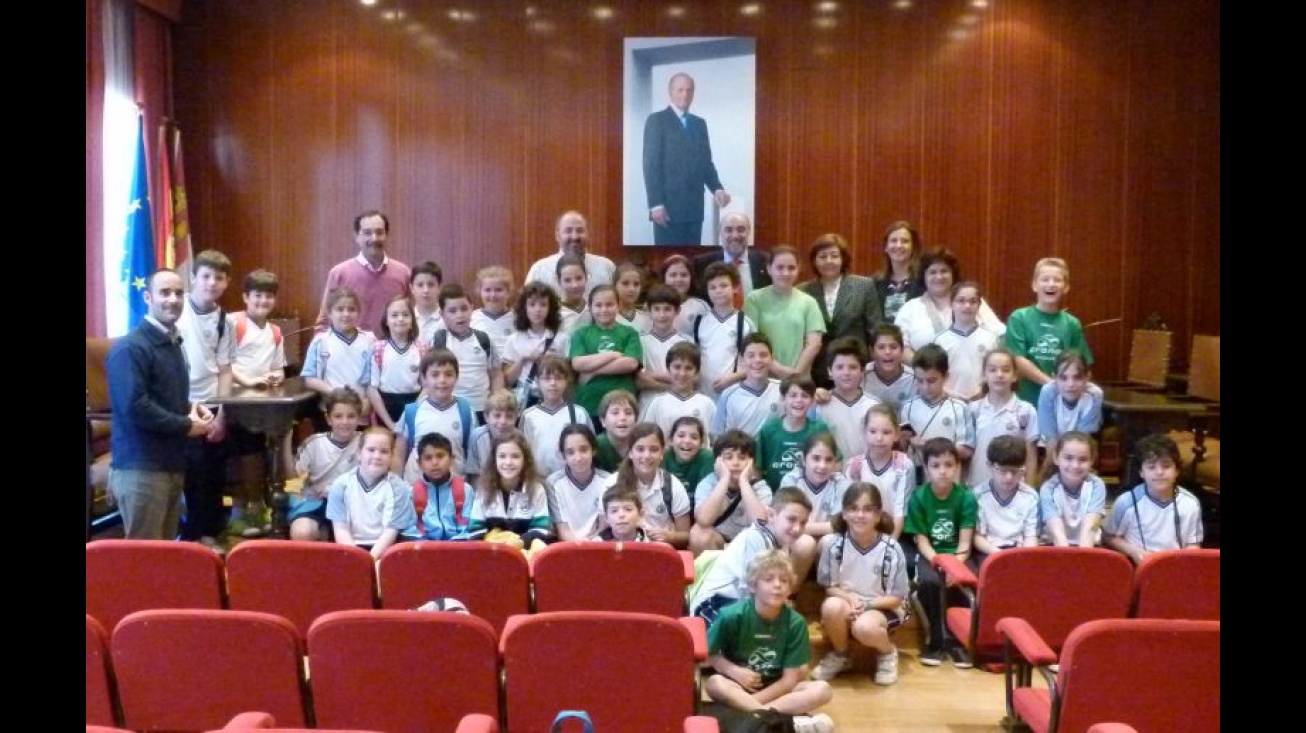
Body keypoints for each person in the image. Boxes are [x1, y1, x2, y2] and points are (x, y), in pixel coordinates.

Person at [107, 269, 216, 540]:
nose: (173, 300)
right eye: (164, 292)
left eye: (179, 293)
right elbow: (135, 406)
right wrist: (186, 425)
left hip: (170, 464)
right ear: (147, 297)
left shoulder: (173, 342)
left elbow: (162, 393)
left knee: (164, 557)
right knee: (144, 563)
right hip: (140, 469)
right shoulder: (130, 348)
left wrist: (191, 406)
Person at [704, 550, 836, 733]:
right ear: (753, 586)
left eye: (784, 580)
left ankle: (758, 717)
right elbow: (707, 654)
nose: (777, 585)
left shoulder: (795, 622)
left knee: (823, 689)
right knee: (714, 683)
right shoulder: (731, 615)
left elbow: (789, 681)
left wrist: (756, 703)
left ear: (790, 589)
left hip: (777, 689)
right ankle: (785, 723)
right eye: (768, 579)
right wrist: (733, 670)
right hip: (738, 687)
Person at [812, 483, 910, 686]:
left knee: (863, 627)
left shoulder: (891, 549)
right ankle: (841, 654)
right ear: (845, 513)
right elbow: (830, 587)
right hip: (851, 602)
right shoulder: (834, 546)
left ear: (878, 515)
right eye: (853, 508)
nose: (860, 515)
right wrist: (849, 599)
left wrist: (867, 604)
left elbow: (897, 597)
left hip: (883, 606)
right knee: (831, 606)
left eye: (868, 509)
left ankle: (887, 652)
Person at [176, 250, 235, 551]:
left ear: (227, 282)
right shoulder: (176, 308)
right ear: (194, 278)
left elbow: (225, 370)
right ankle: (191, 537)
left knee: (213, 473)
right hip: (181, 406)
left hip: (212, 404)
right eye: (206, 276)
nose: (212, 283)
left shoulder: (225, 319)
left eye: (219, 278)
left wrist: (222, 413)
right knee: (192, 473)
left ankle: (210, 532)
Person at [690, 487, 814, 624]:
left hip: (740, 606)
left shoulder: (780, 544)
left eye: (803, 523)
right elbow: (752, 592)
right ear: (772, 515)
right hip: (714, 605)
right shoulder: (754, 538)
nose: (797, 528)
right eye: (791, 519)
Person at [225, 269, 288, 538]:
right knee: (240, 457)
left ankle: (257, 505)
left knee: (260, 454)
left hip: (260, 406)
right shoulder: (232, 323)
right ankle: (240, 512)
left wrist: (275, 376)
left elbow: (280, 369)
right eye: (257, 295)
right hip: (231, 403)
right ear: (245, 297)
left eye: (269, 296)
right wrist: (248, 382)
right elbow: (223, 362)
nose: (263, 301)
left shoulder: (275, 332)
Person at [904, 437, 978, 667]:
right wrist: (938, 562)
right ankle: (936, 641)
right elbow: (921, 539)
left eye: (948, 465)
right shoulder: (918, 497)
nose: (943, 471)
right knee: (929, 582)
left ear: (957, 467)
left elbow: (965, 541)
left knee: (965, 582)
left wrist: (955, 566)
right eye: (936, 466)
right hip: (932, 555)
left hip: (958, 554)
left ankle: (959, 642)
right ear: (926, 469)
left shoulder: (966, 497)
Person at [642, 72, 730, 246]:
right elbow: (650, 165)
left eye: (689, 90)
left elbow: (705, 162)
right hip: (667, 210)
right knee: (669, 260)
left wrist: (717, 188)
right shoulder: (656, 120)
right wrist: (655, 204)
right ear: (670, 92)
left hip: (694, 208)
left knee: (692, 259)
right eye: (680, 90)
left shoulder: (699, 124)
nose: (685, 94)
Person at [1004, 257, 1094, 404]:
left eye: (1057, 280)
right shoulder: (1019, 317)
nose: (1051, 284)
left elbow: (1081, 363)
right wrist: (1052, 384)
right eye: (1045, 279)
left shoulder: (1072, 323)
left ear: (1066, 287)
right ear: (1034, 285)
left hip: (1060, 402)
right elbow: (1017, 359)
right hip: (1025, 401)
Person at [799, 233, 883, 389]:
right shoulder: (803, 291)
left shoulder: (863, 286)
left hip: (854, 367)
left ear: (843, 259)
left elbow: (875, 330)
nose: (828, 261)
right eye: (822, 256)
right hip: (817, 371)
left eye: (834, 256)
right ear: (814, 261)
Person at [1103, 433, 1203, 563]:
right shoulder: (1125, 502)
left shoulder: (1191, 503)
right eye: (1151, 467)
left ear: (1177, 470)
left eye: (1166, 466)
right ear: (1141, 472)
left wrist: (1185, 562)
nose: (1159, 472)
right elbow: (1109, 537)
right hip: (1138, 567)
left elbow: (1193, 543)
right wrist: (1134, 552)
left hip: (1176, 568)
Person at [893, 247, 1004, 360]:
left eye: (944, 271)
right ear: (924, 277)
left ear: (953, 274)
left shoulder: (971, 302)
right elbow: (900, 348)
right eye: (932, 272)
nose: (939, 277)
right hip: (926, 376)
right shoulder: (910, 308)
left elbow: (1000, 335)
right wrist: (925, 368)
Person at [315, 209, 411, 335]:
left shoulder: (403, 273)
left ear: (386, 235)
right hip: (350, 350)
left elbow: (413, 315)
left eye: (379, 232)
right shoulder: (339, 273)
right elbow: (324, 322)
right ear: (357, 237)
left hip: (392, 351)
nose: (374, 238)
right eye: (367, 233)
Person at [325, 426, 415, 560]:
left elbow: (390, 532)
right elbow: (341, 529)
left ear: (391, 456)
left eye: (384, 451)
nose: (377, 456)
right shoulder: (341, 485)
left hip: (385, 551)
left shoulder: (399, 489)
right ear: (359, 453)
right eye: (371, 450)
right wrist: (356, 559)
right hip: (349, 550)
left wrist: (369, 560)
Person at [286, 388, 364, 542]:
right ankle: (322, 532)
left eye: (351, 416)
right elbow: (292, 477)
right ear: (328, 419)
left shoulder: (366, 442)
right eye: (338, 416)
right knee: (303, 532)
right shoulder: (313, 443)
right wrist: (286, 440)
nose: (345, 422)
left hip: (353, 503)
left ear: (359, 418)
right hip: (317, 501)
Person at [601, 423, 693, 548]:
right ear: (630, 452)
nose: (647, 456)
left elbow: (685, 536)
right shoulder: (611, 483)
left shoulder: (672, 485)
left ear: (662, 453)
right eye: (640, 449)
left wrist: (669, 536)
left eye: (654, 449)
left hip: (661, 551)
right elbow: (604, 529)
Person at [744, 246, 826, 379]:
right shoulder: (754, 299)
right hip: (764, 377)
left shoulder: (808, 302)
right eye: (780, 267)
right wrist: (776, 368)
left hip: (799, 381)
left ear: (798, 269)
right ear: (769, 269)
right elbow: (751, 340)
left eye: (791, 268)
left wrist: (795, 374)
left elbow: (814, 344)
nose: (786, 273)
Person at [428, 283, 504, 423]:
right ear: (442, 314)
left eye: (464, 308)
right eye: (452, 311)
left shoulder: (483, 339)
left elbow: (496, 373)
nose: (460, 315)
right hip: (450, 408)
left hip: (482, 408)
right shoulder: (438, 341)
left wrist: (496, 402)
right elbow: (427, 377)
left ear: (472, 308)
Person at [395, 349, 475, 481]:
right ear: (423, 378)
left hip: (455, 491)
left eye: (448, 374)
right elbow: (398, 454)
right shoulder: (412, 412)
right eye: (435, 374)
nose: (442, 380)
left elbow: (473, 456)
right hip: (415, 487)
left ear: (457, 377)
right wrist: (397, 487)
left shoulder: (465, 411)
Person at [464, 429, 554, 546]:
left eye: (515, 456)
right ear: (494, 460)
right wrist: (497, 546)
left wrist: (519, 542)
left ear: (525, 460)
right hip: (492, 553)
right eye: (502, 456)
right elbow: (475, 531)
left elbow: (543, 529)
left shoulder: (537, 490)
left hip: (525, 554)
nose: (508, 462)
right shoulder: (484, 490)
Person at [690, 429, 773, 555]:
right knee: (698, 534)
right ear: (718, 461)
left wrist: (744, 482)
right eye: (728, 457)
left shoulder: (761, 487)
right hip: (719, 540)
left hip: (749, 543)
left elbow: (761, 523)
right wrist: (724, 479)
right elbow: (703, 520)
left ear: (751, 462)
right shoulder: (707, 483)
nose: (735, 463)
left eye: (742, 458)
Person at [965, 348, 1038, 487]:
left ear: (1015, 375)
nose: (999, 375)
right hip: (977, 486)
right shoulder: (973, 410)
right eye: (992, 370)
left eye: (1006, 370)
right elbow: (967, 453)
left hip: (1014, 488)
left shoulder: (1026, 411)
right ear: (984, 376)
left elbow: (1031, 455)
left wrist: (1030, 489)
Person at [302, 287, 376, 420]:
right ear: (329, 313)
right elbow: (309, 379)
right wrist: (336, 392)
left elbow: (375, 378)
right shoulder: (320, 341)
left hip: (361, 412)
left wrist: (368, 401)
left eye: (351, 309)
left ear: (359, 313)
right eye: (340, 309)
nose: (346, 314)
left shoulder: (370, 341)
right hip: (329, 413)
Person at [569, 284, 642, 419]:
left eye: (609, 305)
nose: (604, 309)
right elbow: (577, 363)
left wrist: (593, 371)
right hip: (589, 404)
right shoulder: (581, 334)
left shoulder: (629, 333)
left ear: (618, 305)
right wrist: (613, 355)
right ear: (590, 307)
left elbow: (631, 363)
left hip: (622, 407)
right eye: (598, 305)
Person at [844, 405, 914, 542]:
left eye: (886, 432)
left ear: (896, 434)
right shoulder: (854, 466)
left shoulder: (904, 466)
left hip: (893, 533)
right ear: (864, 432)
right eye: (873, 431)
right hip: (860, 532)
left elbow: (900, 512)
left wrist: (889, 546)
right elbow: (850, 509)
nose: (879, 438)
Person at [899, 344, 975, 469]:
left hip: (948, 474)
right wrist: (905, 441)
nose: (925, 387)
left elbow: (967, 450)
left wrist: (928, 446)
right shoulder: (907, 407)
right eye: (920, 380)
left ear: (945, 377)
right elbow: (903, 447)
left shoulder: (959, 408)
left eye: (931, 380)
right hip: (916, 475)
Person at [756, 375, 833, 493]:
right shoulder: (769, 429)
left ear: (812, 401)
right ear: (782, 398)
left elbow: (835, 461)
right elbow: (758, 468)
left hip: (810, 497)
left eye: (805, 396)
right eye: (793, 395)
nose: (799, 400)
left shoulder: (819, 429)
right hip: (774, 497)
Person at [691, 261, 755, 400]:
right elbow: (694, 358)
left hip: (734, 394)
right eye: (712, 287)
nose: (718, 291)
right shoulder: (700, 323)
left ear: (736, 288)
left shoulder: (745, 323)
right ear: (707, 291)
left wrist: (733, 378)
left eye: (724, 285)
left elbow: (755, 362)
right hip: (703, 395)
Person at [780, 432, 853, 554]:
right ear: (803, 459)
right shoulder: (791, 480)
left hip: (824, 541)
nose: (822, 465)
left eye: (829, 460)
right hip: (796, 541)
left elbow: (840, 526)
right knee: (806, 543)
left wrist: (809, 528)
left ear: (836, 462)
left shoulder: (841, 484)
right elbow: (787, 526)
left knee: (832, 541)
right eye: (816, 458)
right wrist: (829, 527)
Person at [970, 436, 1040, 561]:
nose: (1009, 477)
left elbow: (1030, 536)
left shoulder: (1030, 496)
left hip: (1019, 550)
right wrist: (998, 554)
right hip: (989, 550)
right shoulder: (978, 496)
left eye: (1015, 471)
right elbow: (977, 537)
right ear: (990, 466)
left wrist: (1025, 555)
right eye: (1002, 471)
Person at [519, 355, 590, 478]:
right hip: (538, 478)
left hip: (570, 478)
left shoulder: (579, 413)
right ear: (537, 382)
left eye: (558, 378)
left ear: (566, 381)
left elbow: (589, 447)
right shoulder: (529, 416)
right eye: (547, 379)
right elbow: (523, 449)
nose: (553, 383)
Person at [813, 337, 882, 460]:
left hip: (866, 475)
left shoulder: (874, 405)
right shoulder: (820, 405)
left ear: (862, 371)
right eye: (839, 367)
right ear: (829, 371)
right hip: (831, 473)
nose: (846, 372)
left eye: (853, 367)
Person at [523, 210, 615, 298]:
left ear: (587, 234)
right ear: (557, 235)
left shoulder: (606, 267)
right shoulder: (540, 270)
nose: (574, 236)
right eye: (568, 231)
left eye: (580, 230)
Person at [934, 281, 1001, 401]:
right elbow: (935, 375)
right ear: (951, 304)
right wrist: (952, 394)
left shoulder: (990, 338)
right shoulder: (941, 341)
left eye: (973, 301)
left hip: (984, 400)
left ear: (979, 305)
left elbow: (996, 371)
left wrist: (982, 390)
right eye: (961, 301)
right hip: (950, 402)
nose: (967, 306)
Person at [1038, 431, 1107, 547]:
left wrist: (1081, 561)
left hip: (1088, 546)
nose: (1075, 465)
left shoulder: (1096, 485)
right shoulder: (1047, 489)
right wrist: (1069, 562)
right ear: (1056, 458)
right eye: (1068, 458)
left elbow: (1090, 529)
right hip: (1056, 546)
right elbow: (1057, 534)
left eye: (1083, 459)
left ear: (1092, 461)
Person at [502, 281, 563, 410]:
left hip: (554, 397)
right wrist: (524, 359)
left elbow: (568, 376)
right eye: (532, 304)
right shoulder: (514, 339)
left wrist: (554, 361)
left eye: (543, 304)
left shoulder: (561, 338)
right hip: (526, 398)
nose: (538, 309)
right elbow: (507, 380)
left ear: (550, 308)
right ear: (524, 308)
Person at [367, 295, 425, 430]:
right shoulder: (378, 349)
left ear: (412, 321)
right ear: (386, 321)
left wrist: (410, 414)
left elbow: (427, 386)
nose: (400, 319)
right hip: (385, 409)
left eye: (405, 315)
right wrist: (390, 424)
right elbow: (372, 389)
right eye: (394, 315)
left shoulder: (422, 349)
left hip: (414, 406)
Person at [641, 343, 717, 442]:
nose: (682, 373)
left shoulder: (707, 404)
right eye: (677, 367)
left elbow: (716, 440)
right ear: (668, 369)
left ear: (697, 372)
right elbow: (646, 438)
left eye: (688, 368)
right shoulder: (657, 403)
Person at [402, 432, 470, 541]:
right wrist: (428, 547)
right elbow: (409, 529)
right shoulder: (411, 493)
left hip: (459, 548)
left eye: (440, 456)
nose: (435, 462)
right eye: (428, 458)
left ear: (451, 459)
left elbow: (471, 526)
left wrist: (456, 543)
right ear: (419, 463)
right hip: (424, 550)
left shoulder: (465, 490)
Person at [548, 424, 611, 541]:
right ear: (563, 456)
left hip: (598, 545)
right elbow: (563, 530)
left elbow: (604, 526)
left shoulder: (607, 480)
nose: (578, 457)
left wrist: (591, 545)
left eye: (583, 450)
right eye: (570, 452)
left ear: (593, 450)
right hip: (567, 547)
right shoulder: (553, 483)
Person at [712, 333, 783, 438]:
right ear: (741, 360)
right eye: (751, 355)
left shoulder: (783, 390)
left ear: (771, 358)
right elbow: (719, 438)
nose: (757, 360)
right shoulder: (728, 396)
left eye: (763, 355)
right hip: (741, 453)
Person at [691, 212, 771, 302]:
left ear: (749, 231)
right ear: (720, 232)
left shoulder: (766, 261)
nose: (735, 236)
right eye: (729, 230)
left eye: (741, 230)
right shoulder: (701, 264)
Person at [635, 284, 688, 414]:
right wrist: (672, 383)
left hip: (678, 405)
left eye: (667, 309)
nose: (662, 314)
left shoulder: (685, 342)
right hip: (647, 404)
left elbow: (689, 378)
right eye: (657, 309)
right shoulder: (640, 341)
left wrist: (652, 375)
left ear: (677, 311)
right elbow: (640, 380)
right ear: (649, 310)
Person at [1035, 349, 1103, 446]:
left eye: (1077, 377)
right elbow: (1051, 440)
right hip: (1051, 446)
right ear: (1054, 378)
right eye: (1063, 378)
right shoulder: (1047, 392)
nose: (1070, 384)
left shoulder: (1095, 395)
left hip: (1078, 446)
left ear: (1087, 377)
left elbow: (1082, 440)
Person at [465, 389, 520, 489]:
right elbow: (474, 475)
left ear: (516, 417)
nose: (503, 421)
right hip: (485, 490)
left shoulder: (520, 439)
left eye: (509, 416)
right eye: (497, 416)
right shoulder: (477, 437)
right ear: (486, 417)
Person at [872, 220, 924, 323]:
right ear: (886, 247)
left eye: (905, 241)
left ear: (913, 247)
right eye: (893, 241)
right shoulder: (874, 283)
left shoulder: (923, 281)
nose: (899, 245)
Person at [862, 324, 916, 414]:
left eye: (893, 347)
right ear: (872, 351)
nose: (887, 352)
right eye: (881, 347)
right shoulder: (862, 375)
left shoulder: (913, 378)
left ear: (902, 350)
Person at [663, 416, 715, 503]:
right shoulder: (663, 456)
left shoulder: (707, 458)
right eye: (681, 435)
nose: (687, 441)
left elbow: (707, 497)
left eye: (694, 437)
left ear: (702, 443)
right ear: (670, 440)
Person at [470, 265, 516, 360]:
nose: (493, 295)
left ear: (509, 292)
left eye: (498, 290)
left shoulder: (518, 319)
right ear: (480, 292)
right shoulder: (471, 318)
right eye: (487, 290)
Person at [659, 254, 710, 337]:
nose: (679, 279)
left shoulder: (700, 306)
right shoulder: (651, 305)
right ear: (664, 278)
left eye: (684, 275)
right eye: (673, 275)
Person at [594, 389, 639, 471]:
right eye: (615, 413)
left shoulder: (642, 445)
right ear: (603, 420)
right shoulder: (595, 447)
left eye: (628, 413)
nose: (622, 418)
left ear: (636, 420)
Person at [613, 260, 653, 335]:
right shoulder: (608, 317)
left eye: (636, 284)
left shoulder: (647, 319)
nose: (632, 289)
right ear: (615, 285)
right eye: (625, 283)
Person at [409, 261, 445, 345]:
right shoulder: (405, 319)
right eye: (420, 285)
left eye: (431, 285)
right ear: (411, 288)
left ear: (440, 287)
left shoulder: (447, 319)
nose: (426, 290)